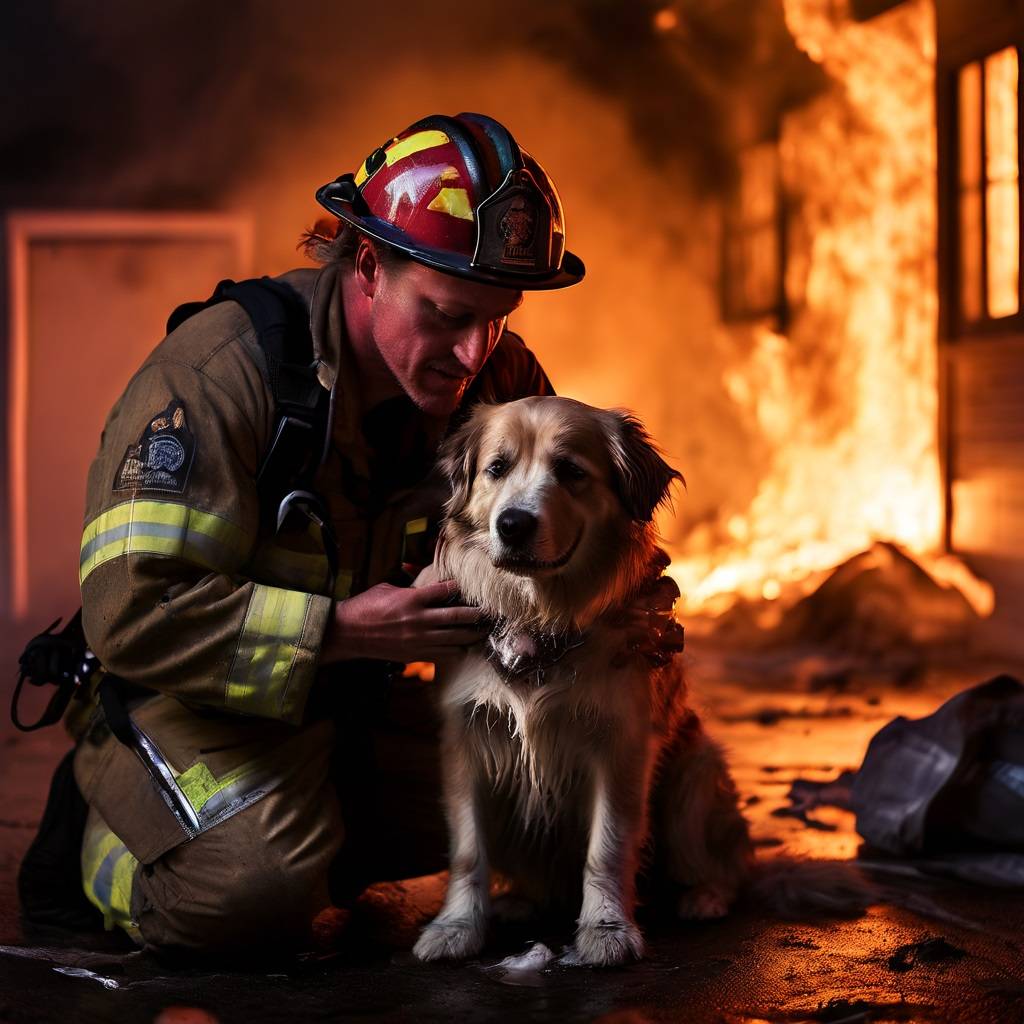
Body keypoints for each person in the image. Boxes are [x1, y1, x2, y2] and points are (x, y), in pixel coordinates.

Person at [20, 112, 676, 955]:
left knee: (542, 822)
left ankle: (302, 830)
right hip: (192, 701)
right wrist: (335, 631)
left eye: (498, 318)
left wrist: (625, 608)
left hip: (354, 703)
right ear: (369, 265)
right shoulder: (214, 376)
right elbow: (131, 614)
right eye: (445, 314)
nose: (475, 351)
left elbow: (556, 530)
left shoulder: (494, 378)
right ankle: (111, 847)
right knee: (251, 898)